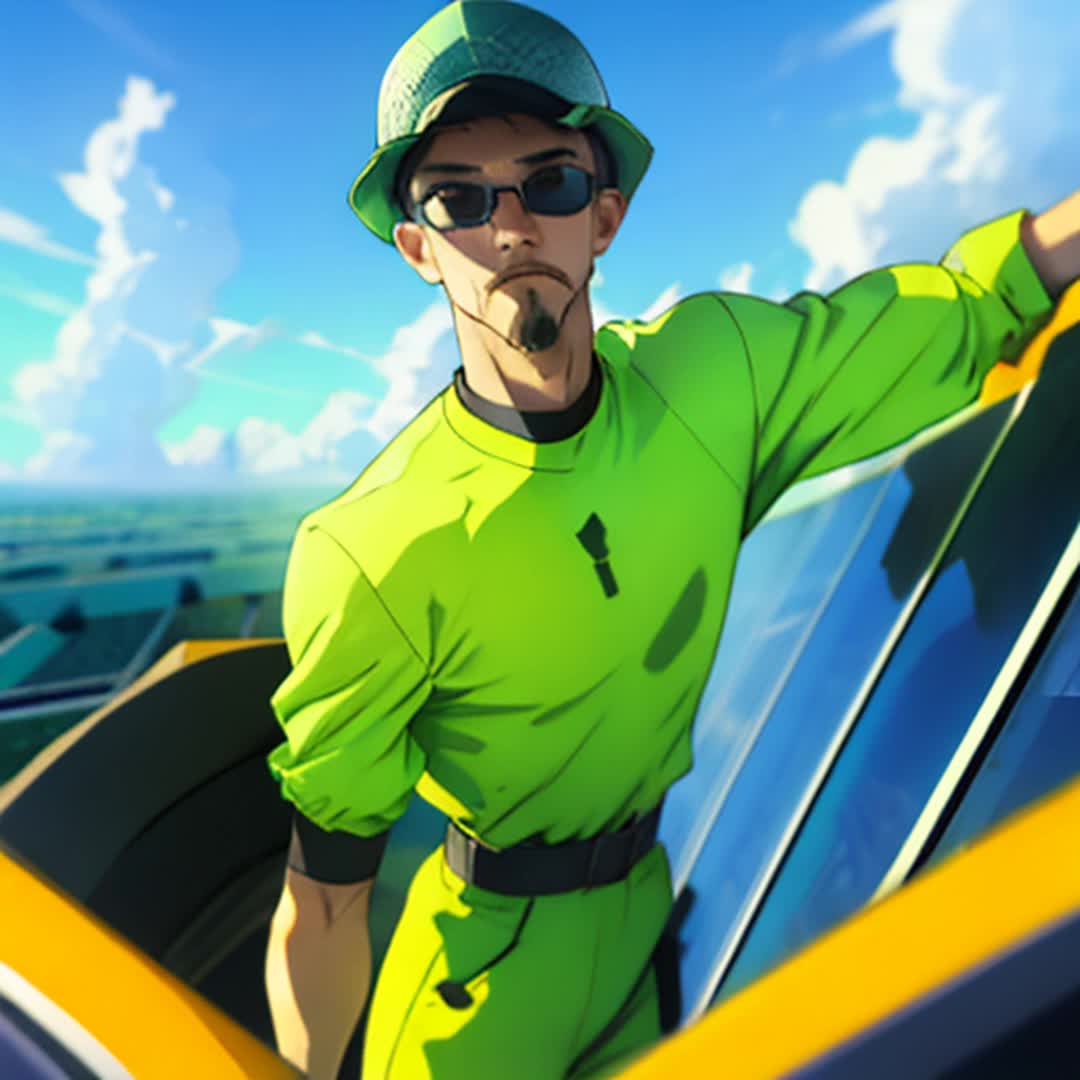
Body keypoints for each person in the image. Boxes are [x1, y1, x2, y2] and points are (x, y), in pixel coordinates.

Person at [262, 2, 1079, 1077]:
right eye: (460, 198)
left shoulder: (717, 375)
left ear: (603, 217)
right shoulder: (372, 549)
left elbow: (968, 308)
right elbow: (324, 904)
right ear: (418, 247)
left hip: (647, 920)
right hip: (477, 988)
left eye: (548, 183)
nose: (510, 228)